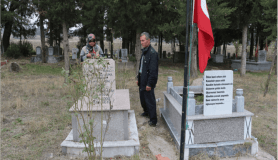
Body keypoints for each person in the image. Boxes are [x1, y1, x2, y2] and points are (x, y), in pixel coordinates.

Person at [137, 32, 159, 127]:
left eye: (143, 40)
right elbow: (141, 67)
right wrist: (139, 78)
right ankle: (146, 112)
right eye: (141, 40)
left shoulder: (152, 53)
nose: (141, 42)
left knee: (150, 99)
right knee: (142, 98)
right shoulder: (144, 51)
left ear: (148, 40)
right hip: (142, 79)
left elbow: (153, 72)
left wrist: (149, 84)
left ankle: (153, 119)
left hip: (148, 81)